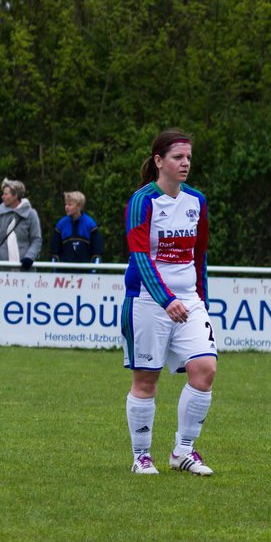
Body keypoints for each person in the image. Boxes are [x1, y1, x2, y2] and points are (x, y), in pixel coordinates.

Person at [121, 130, 218, 476]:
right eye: (178, 157)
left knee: (205, 369)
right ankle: (141, 456)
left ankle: (183, 451)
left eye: (189, 157)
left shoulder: (197, 201)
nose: (185, 163)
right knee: (146, 380)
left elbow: (199, 256)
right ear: (159, 161)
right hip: (148, 301)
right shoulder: (142, 201)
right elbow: (140, 257)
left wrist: (199, 300)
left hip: (188, 301)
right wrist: (165, 300)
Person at [0, 178, 42, 271]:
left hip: (25, 268)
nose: (2, 197)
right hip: (0, 267)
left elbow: (36, 239)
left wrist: (29, 257)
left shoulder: (31, 214)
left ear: (15, 195)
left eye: (6, 194)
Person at [51, 191, 105, 268]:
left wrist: (93, 271)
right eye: (65, 204)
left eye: (70, 205)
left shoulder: (90, 224)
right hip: (64, 274)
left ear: (79, 206)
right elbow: (55, 252)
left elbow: (97, 252)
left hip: (86, 273)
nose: (66, 207)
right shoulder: (61, 224)